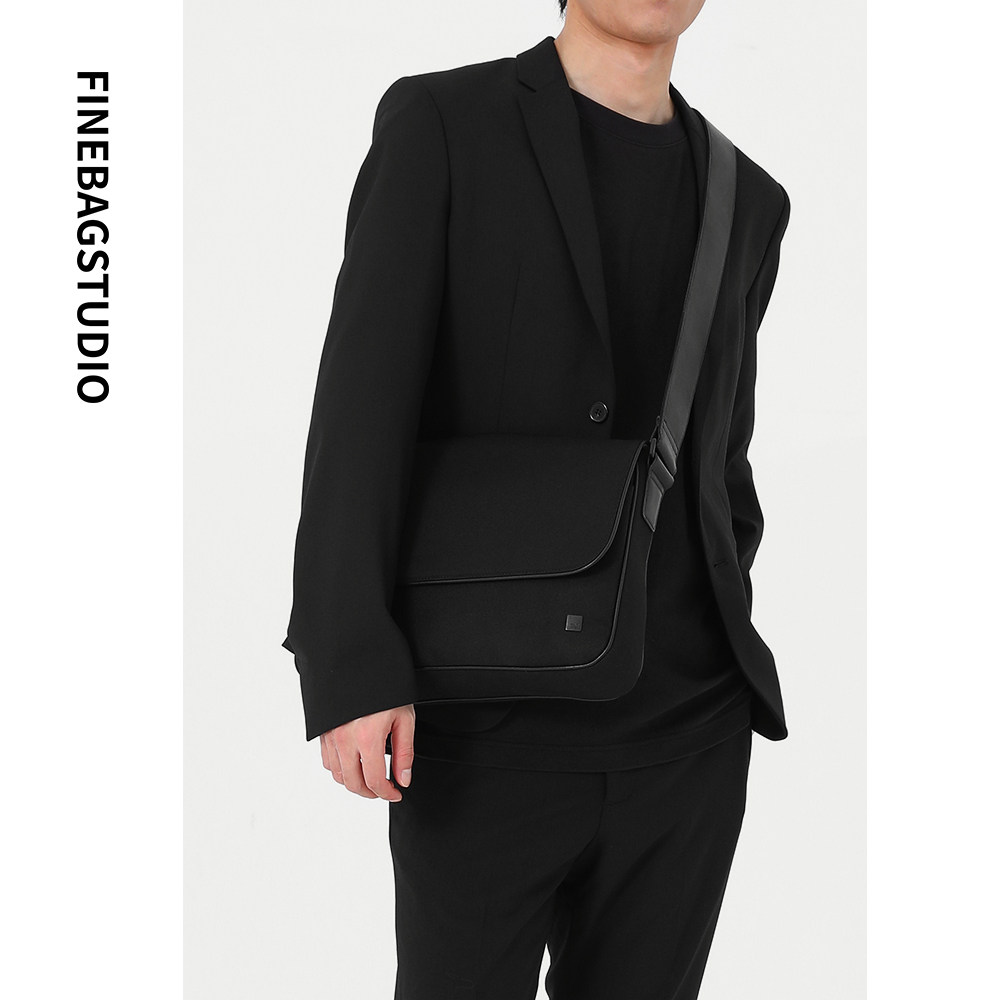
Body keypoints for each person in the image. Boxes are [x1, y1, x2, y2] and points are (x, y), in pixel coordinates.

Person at [282, 2, 792, 996]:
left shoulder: (749, 198)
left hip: (685, 737)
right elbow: (360, 411)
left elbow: (722, 461)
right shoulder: (443, 126)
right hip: (483, 725)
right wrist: (350, 665)